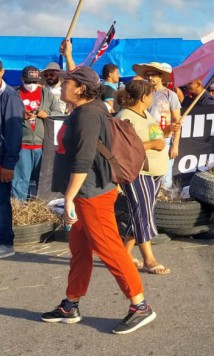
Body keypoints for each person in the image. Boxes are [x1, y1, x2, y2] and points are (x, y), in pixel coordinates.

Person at [42, 66, 156, 334]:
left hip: (92, 193)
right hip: (87, 192)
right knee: (80, 249)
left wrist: (68, 198)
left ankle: (140, 305)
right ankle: (71, 304)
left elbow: (84, 158)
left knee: (109, 249)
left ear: (80, 88)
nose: (61, 84)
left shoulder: (89, 114)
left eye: (66, 81)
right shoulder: (85, 110)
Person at [116, 80, 171, 275]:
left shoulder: (145, 114)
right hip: (138, 172)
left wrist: (166, 132)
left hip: (154, 171)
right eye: (150, 95)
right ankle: (149, 259)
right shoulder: (125, 117)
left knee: (140, 212)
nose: (151, 98)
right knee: (142, 212)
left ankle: (123, 254)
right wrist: (153, 145)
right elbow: (123, 147)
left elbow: (148, 136)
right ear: (143, 97)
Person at [133, 62, 181, 196]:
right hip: (146, 139)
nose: (150, 78)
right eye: (147, 75)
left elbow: (177, 121)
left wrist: (175, 145)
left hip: (165, 139)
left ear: (161, 76)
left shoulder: (170, 95)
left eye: (153, 74)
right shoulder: (143, 95)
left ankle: (164, 204)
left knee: (165, 174)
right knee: (146, 172)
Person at [12, 66, 53, 201]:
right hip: (22, 145)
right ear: (22, 79)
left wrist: (47, 114)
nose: (31, 85)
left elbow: (58, 113)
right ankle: (19, 211)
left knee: (41, 182)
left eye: (34, 82)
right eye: (28, 82)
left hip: (42, 145)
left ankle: (39, 210)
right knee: (20, 181)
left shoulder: (46, 94)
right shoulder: (14, 94)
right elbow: (6, 114)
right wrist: (20, 115)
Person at [0, 58, 24, 259]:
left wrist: (8, 163)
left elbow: (14, 132)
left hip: (2, 159)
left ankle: (6, 242)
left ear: (1, 72)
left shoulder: (10, 97)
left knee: (1, 201)